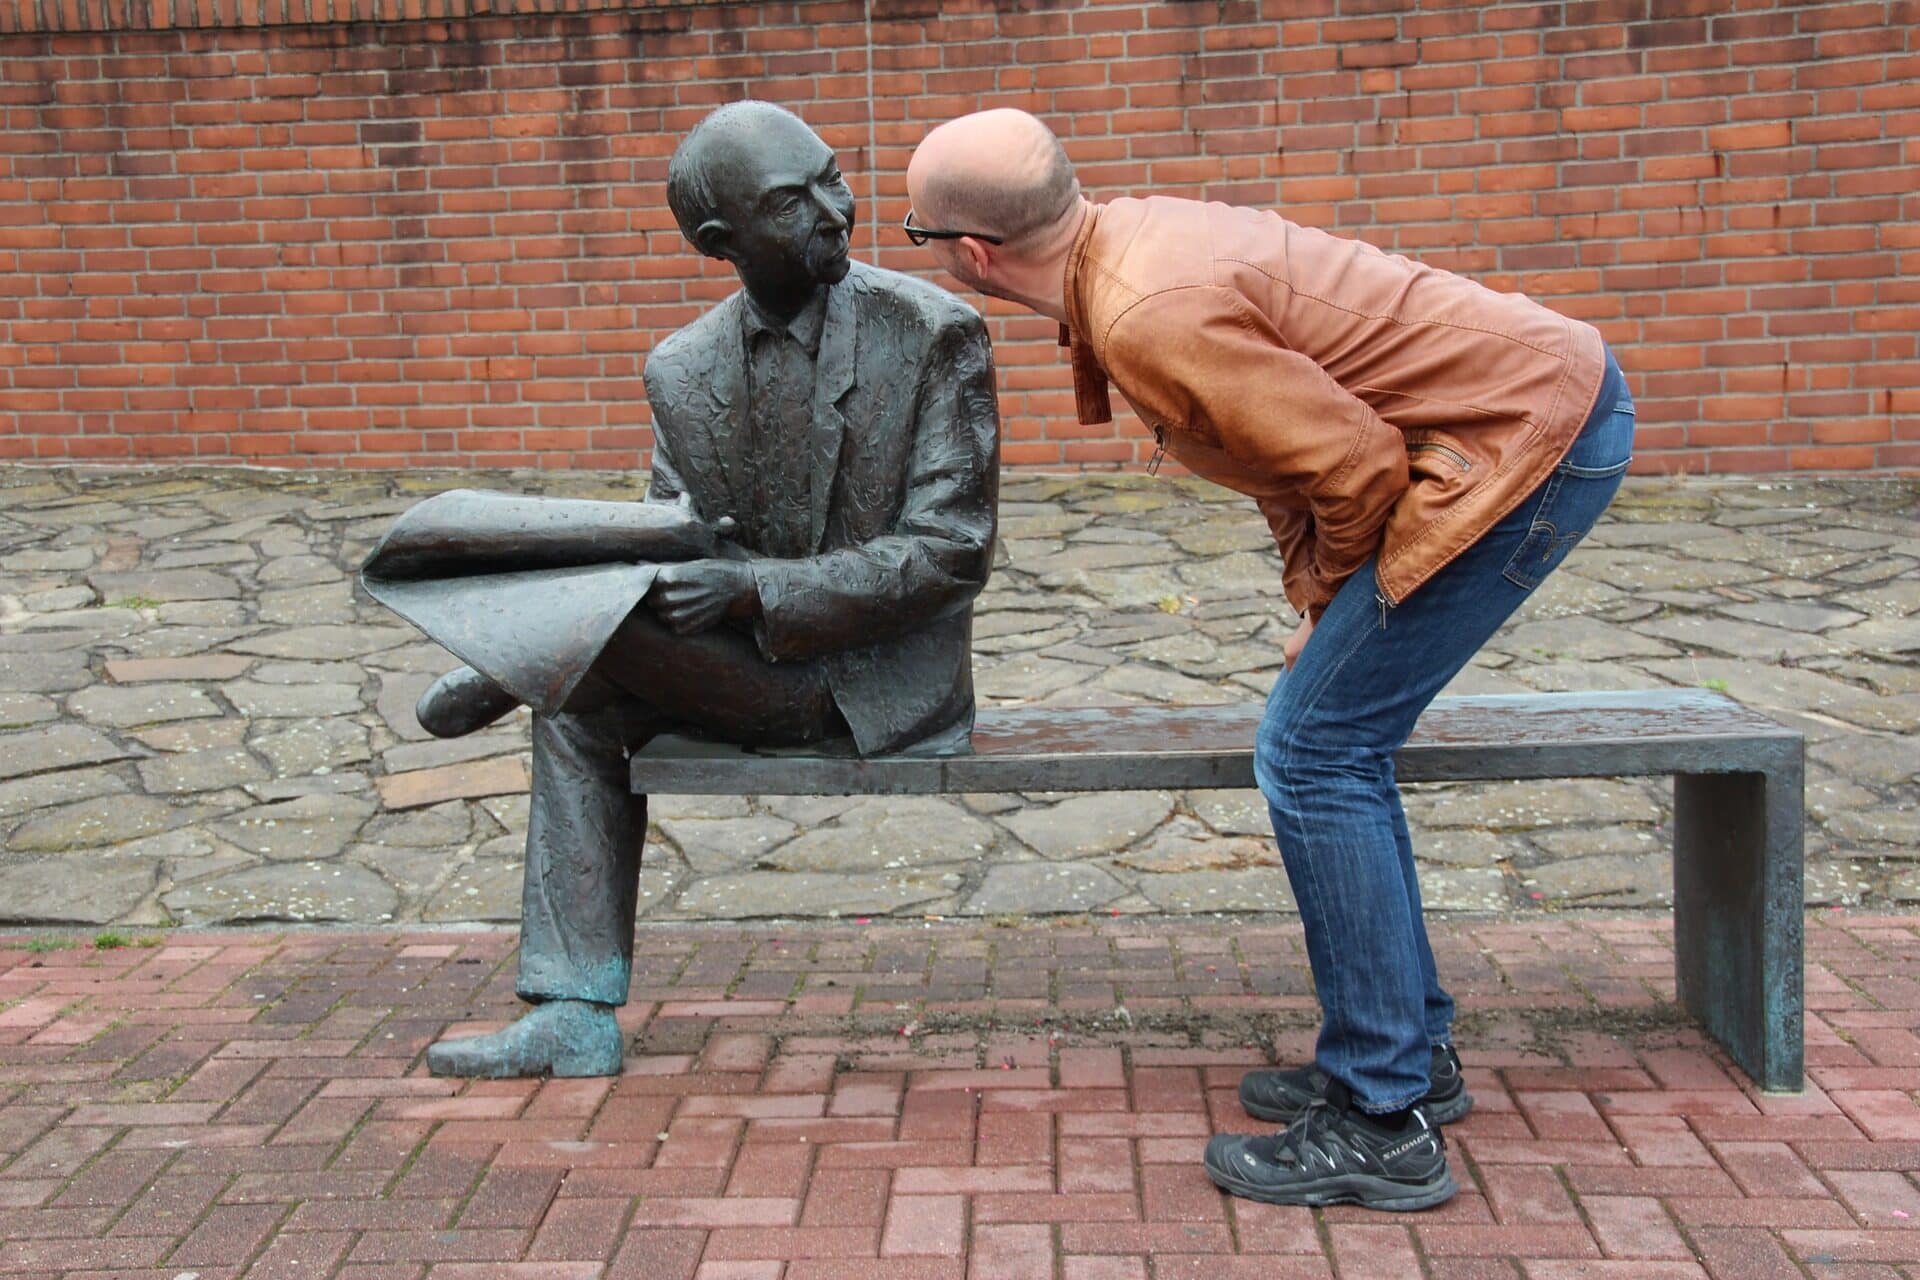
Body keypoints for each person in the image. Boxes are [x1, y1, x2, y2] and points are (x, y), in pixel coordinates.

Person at [904, 108, 1634, 1211]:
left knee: (1315, 749)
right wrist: (1318, 600)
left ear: (973, 254)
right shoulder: (1126, 244)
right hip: (1524, 412)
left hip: (1526, 440)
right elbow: (1286, 455)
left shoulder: (1146, 312)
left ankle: (1382, 1119)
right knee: (1334, 738)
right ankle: (1407, 1053)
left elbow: (1355, 467)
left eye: (920, 235)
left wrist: (1331, 596)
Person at [376, 101, 999, 1078]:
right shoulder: (682, 369)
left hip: (877, 683)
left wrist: (752, 588)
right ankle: (573, 1011)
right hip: (747, 670)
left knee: (571, 669)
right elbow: (672, 534)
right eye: (792, 202)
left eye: (833, 176)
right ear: (721, 241)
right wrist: (684, 571)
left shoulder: (932, 333)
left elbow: (952, 551)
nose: (834, 211)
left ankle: (505, 663)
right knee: (579, 691)